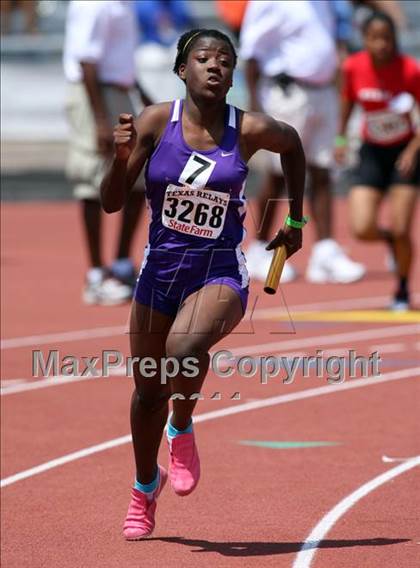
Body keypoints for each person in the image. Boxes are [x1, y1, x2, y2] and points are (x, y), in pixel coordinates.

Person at [100, 28, 307, 539]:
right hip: (160, 273)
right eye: (204, 58)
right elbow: (111, 202)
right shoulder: (155, 121)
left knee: (184, 348)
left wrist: (296, 222)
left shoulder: (250, 128)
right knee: (148, 390)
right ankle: (146, 485)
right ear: (182, 70)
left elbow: (294, 145)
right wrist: (121, 156)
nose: (216, 66)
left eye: (226, 61)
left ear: (233, 75)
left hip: (219, 271)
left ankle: (183, 423)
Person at [240, 0, 366, 284]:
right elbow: (251, 52)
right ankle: (259, 247)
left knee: (323, 171)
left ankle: (324, 252)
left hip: (323, 93)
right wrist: (253, 100)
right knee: (278, 172)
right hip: (287, 93)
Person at [63, 0, 150, 305]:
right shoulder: (95, 4)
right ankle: (97, 274)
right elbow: (86, 61)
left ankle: (122, 263)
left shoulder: (122, 4)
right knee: (92, 180)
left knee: (137, 176)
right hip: (96, 94)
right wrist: (100, 120)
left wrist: (140, 94)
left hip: (119, 91)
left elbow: (118, 58)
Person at [335, 11, 419, 311]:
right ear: (365, 40)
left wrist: (412, 150)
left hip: (404, 156)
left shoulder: (410, 70)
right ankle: (392, 243)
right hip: (371, 152)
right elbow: (347, 101)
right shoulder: (353, 67)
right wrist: (341, 139)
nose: (381, 44)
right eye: (374, 38)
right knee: (361, 227)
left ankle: (402, 289)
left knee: (401, 227)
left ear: (394, 40)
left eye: (387, 38)